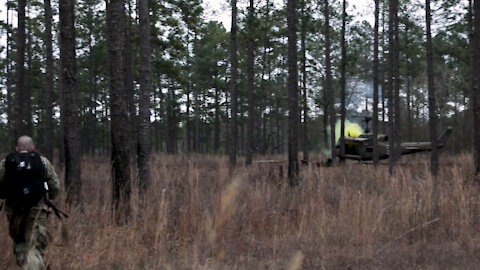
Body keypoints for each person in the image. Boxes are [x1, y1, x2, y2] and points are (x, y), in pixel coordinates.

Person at [0, 136, 60, 270]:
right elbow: (55, 186)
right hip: (37, 210)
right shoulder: (42, 162)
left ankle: (27, 265)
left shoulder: (6, 162)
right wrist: (50, 196)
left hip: (14, 210)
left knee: (20, 244)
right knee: (34, 248)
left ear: (17, 148)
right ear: (32, 148)